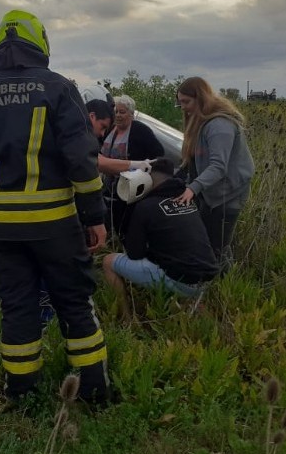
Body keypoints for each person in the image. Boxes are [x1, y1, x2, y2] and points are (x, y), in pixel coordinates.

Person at [0, 9, 111, 405]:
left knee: (17, 306)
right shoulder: (58, 88)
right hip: (56, 221)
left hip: (2, 227)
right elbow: (81, 157)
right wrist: (94, 216)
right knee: (73, 301)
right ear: (41, 44)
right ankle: (93, 391)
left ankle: (21, 396)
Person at [102, 158, 219, 319]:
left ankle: (126, 319)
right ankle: (191, 306)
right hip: (205, 279)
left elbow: (134, 254)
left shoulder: (146, 206)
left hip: (179, 280)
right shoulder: (187, 200)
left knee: (108, 262)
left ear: (147, 178)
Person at [173, 76, 255, 268]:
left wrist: (193, 188)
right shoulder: (200, 122)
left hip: (228, 195)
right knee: (210, 241)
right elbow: (192, 162)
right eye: (180, 102)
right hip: (211, 193)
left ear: (201, 99)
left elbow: (218, 166)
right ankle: (216, 278)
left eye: (186, 101)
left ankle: (223, 283)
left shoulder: (219, 125)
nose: (183, 107)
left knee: (217, 246)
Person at [100, 94, 164, 237]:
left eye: (122, 112)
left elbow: (159, 153)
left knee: (127, 222)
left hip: (131, 188)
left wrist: (142, 170)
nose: (118, 115)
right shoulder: (110, 129)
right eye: (116, 112)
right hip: (109, 186)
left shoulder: (140, 130)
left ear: (131, 114)